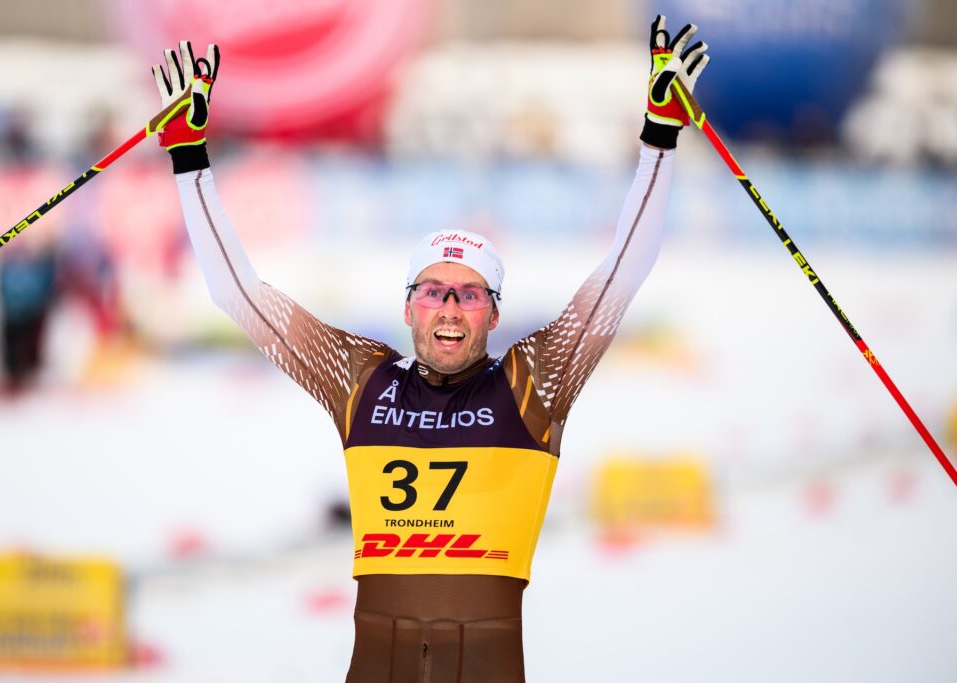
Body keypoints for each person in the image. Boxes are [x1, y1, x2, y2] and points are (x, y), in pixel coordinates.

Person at [151, 16, 708, 682]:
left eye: (469, 294)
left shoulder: (533, 385)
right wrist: (189, 158)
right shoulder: (361, 380)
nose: (449, 307)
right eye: (433, 290)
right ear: (407, 307)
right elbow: (237, 292)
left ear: (494, 314)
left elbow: (622, 268)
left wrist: (659, 137)